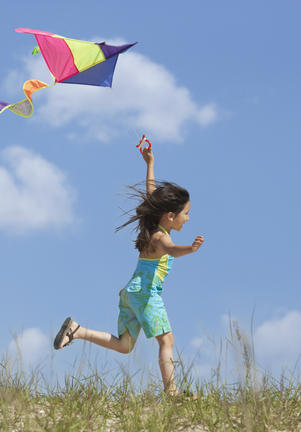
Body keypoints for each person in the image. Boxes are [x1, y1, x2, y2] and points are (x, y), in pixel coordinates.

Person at [53, 145, 204, 399]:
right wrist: (190, 248)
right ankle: (173, 394)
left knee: (125, 346)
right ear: (170, 215)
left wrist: (150, 163)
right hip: (145, 294)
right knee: (166, 342)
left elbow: (151, 194)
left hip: (130, 293)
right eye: (185, 214)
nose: (187, 218)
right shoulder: (160, 238)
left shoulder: (152, 225)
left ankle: (77, 330)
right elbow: (172, 250)